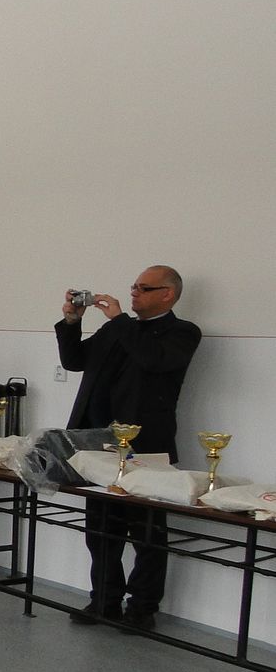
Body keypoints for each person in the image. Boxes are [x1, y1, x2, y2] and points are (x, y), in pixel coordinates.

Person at [56, 266, 201, 629]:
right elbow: (75, 361)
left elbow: (153, 360)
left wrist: (120, 320)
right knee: (100, 531)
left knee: (147, 534)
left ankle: (142, 608)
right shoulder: (117, 329)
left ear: (168, 294)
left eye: (144, 288)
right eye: (133, 287)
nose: (134, 293)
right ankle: (103, 601)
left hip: (145, 447)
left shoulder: (183, 332)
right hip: (96, 443)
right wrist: (72, 321)